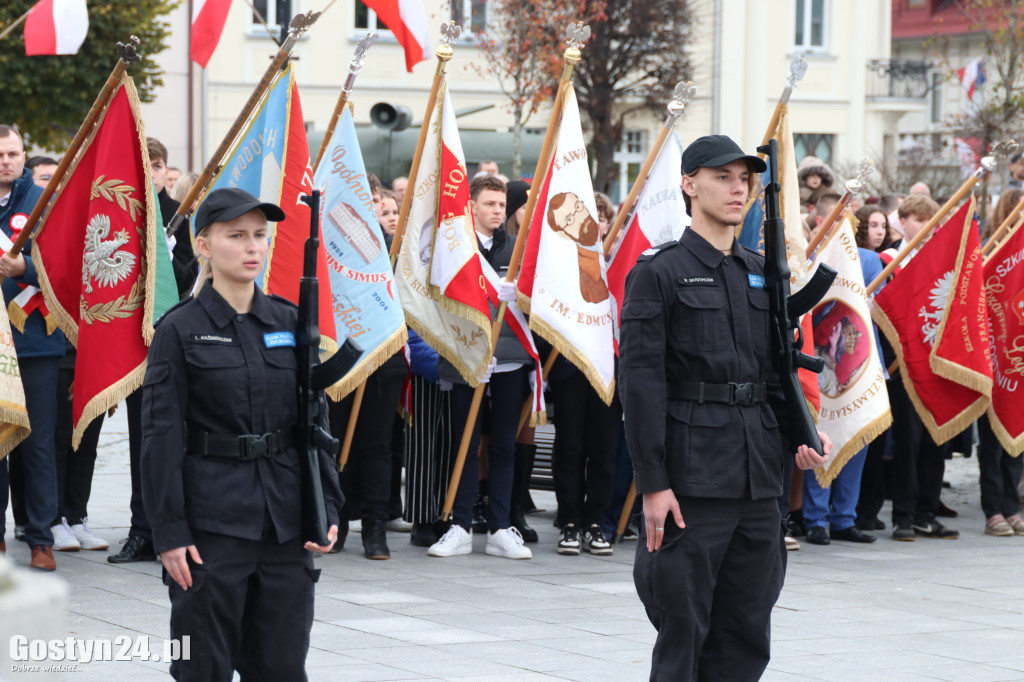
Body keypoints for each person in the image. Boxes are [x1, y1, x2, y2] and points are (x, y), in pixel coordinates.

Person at [619, 134, 830, 681]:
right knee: (684, 627)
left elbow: (775, 370)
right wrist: (652, 482)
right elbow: (640, 383)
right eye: (722, 177)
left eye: (745, 180)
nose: (738, 189)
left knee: (746, 630)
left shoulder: (760, 271)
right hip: (692, 479)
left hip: (759, 479)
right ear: (689, 185)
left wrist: (801, 433)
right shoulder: (658, 272)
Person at [141, 187, 341, 679]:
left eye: (260, 235)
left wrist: (329, 507)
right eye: (236, 236)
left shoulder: (290, 322)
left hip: (285, 522)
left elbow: (315, 424)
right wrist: (168, 532)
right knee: (203, 665)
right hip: (214, 524)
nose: (253, 247)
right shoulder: (179, 329)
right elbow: (160, 435)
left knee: (281, 665)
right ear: (204, 245)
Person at [427, 175, 533, 560]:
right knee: (464, 445)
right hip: (464, 358)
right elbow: (438, 299)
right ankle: (459, 525)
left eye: (502, 205)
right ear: (471, 206)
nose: (497, 211)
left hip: (508, 362)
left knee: (504, 445)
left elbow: (539, 302)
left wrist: (518, 294)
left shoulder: (517, 249)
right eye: (489, 204)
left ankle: (500, 527)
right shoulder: (456, 249)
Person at [0, 125, 66, 571]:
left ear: (24, 155)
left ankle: (41, 537)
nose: (6, 161)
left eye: (12, 153)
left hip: (36, 339)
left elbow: (64, 267)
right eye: (0, 154)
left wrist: (25, 268)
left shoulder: (44, 203)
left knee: (39, 444)